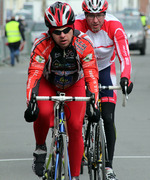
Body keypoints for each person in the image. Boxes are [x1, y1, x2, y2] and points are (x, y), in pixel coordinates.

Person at [24, 2, 100, 180]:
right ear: (50, 32)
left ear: (73, 27)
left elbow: (91, 76)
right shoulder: (41, 44)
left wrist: (94, 103)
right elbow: (34, 75)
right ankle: (40, 148)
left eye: (66, 30)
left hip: (75, 83)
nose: (62, 35)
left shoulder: (84, 43)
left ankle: (74, 177)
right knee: (42, 113)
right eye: (56, 32)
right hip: (49, 82)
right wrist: (30, 103)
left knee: (74, 127)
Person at [75, 0, 133, 179]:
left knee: (108, 118)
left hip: (106, 70)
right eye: (91, 15)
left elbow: (124, 55)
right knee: (79, 113)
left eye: (99, 15)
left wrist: (125, 78)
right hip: (82, 71)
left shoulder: (114, 26)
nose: (95, 20)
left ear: (105, 14)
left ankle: (108, 167)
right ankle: (78, 142)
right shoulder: (76, 26)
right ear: (85, 15)